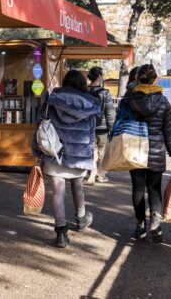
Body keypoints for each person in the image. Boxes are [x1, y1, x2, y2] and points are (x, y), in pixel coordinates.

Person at [33, 70, 102, 248]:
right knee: (78, 186)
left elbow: (41, 123)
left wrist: (37, 152)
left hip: (55, 151)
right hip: (79, 152)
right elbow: (91, 131)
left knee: (58, 191)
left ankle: (61, 232)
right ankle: (81, 218)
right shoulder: (90, 104)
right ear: (82, 84)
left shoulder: (52, 99)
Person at [120, 64, 171, 243]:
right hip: (156, 151)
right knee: (154, 188)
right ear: (155, 79)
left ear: (137, 79)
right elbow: (168, 131)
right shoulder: (162, 101)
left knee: (138, 189)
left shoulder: (128, 99)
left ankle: (140, 226)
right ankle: (155, 223)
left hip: (134, 149)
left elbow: (120, 120)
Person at [85, 66, 116, 184]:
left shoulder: (84, 92)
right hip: (102, 128)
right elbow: (110, 112)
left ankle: (91, 173)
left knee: (91, 151)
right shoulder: (105, 93)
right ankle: (100, 175)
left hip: (88, 127)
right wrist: (112, 129)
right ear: (99, 76)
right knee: (102, 153)